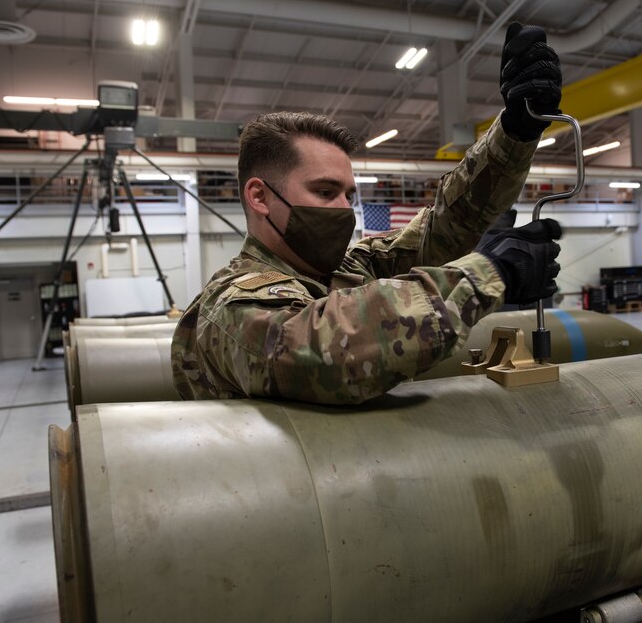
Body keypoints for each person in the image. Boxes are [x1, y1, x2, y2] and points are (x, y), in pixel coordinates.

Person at [171, 22, 563, 405]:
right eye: (324, 191)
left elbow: (443, 229)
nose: (344, 209)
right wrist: (487, 275)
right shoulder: (231, 304)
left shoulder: (346, 271)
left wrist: (516, 130)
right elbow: (321, 351)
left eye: (348, 194)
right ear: (260, 197)